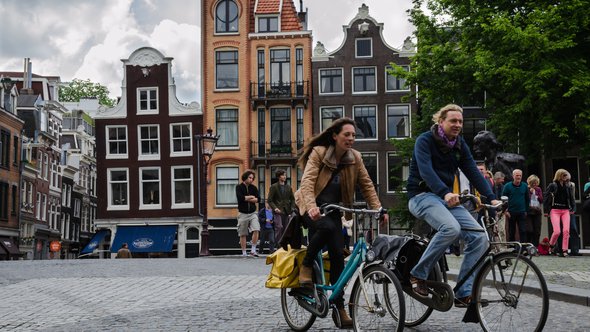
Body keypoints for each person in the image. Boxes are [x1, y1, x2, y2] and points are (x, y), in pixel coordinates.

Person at [295, 117, 387, 328]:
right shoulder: (319, 153)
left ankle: (339, 305)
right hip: (312, 206)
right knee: (326, 227)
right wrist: (311, 206)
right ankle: (307, 265)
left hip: (335, 210)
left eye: (354, 135)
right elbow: (307, 182)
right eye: (347, 134)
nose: (351, 138)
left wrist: (378, 208)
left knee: (338, 254)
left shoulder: (355, 158)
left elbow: (367, 185)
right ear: (335, 136)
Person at [405, 104, 499, 308]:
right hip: (421, 196)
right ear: (441, 122)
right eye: (453, 121)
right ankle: (417, 275)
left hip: (446, 199)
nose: (457, 125)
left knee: (480, 238)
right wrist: (445, 192)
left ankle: (463, 292)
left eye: (460, 122)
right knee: (451, 228)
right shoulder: (425, 140)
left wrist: (491, 198)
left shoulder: (459, 144)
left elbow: (473, 171)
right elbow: (426, 171)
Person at [544, 169, 575, 257]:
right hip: (555, 210)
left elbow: (571, 198)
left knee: (566, 231)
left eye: (566, 175)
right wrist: (546, 210)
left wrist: (573, 208)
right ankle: (551, 246)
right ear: (560, 175)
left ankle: (564, 250)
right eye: (564, 175)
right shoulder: (552, 185)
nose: (566, 177)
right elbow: (546, 197)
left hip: (565, 210)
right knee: (557, 231)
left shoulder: (568, 186)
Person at [235, 170, 261, 257]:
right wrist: (251, 197)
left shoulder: (254, 188)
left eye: (252, 178)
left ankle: (253, 250)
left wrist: (248, 198)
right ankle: (244, 252)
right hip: (242, 213)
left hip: (253, 213)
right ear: (245, 177)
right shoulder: (239, 187)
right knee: (243, 233)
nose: (251, 179)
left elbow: (259, 199)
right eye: (250, 177)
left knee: (256, 229)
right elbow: (240, 198)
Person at [267, 169, 296, 243]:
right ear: (279, 177)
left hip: (287, 211)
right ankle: (278, 245)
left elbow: (292, 199)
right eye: (283, 175)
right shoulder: (274, 187)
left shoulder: (288, 187)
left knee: (286, 229)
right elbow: (269, 200)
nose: (285, 176)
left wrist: (292, 208)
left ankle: (284, 245)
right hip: (278, 211)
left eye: (285, 175)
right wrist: (275, 208)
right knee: (279, 227)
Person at [502, 169, 530, 242]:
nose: (518, 177)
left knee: (523, 230)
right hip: (511, 212)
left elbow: (527, 199)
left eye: (520, 175)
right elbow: (503, 199)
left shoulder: (524, 186)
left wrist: (526, 210)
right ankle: (512, 248)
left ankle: (524, 248)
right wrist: (506, 211)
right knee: (511, 231)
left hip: (521, 212)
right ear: (513, 176)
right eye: (517, 175)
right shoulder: (507, 186)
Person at [526, 174, 543, 246]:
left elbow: (541, 199)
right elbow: (526, 199)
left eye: (536, 183)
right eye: (533, 183)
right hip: (529, 212)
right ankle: (528, 245)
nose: (534, 185)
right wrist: (530, 192)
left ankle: (535, 247)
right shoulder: (526, 189)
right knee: (529, 230)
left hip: (537, 211)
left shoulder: (538, 189)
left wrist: (535, 193)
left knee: (537, 230)